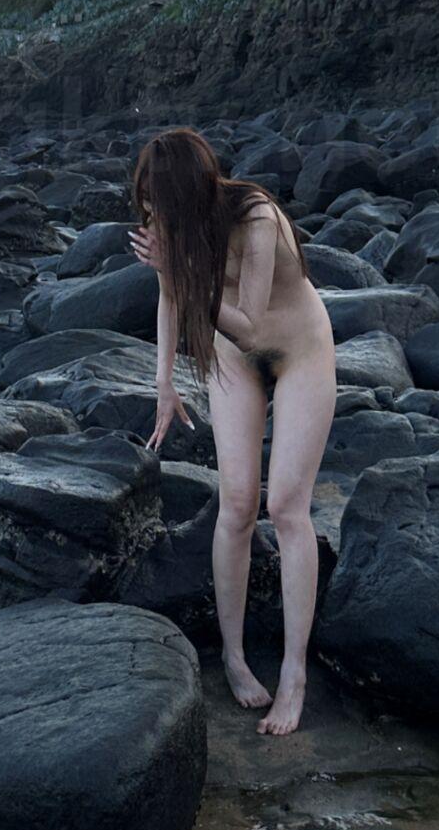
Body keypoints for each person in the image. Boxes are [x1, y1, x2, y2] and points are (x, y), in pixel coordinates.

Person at [130, 127, 335, 735]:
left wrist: (178, 270)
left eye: (157, 203)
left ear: (189, 192)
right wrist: (163, 384)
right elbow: (171, 296)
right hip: (232, 361)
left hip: (298, 351)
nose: (151, 215)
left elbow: (247, 322)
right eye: (145, 204)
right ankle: (235, 657)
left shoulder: (256, 219)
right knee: (238, 504)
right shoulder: (172, 223)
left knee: (288, 507)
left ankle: (294, 675)